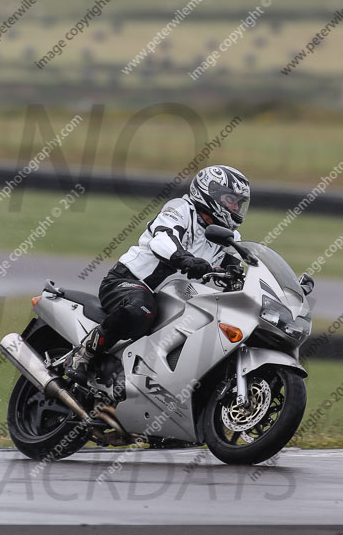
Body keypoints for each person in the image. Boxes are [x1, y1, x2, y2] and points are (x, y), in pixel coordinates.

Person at [64, 165, 250, 385]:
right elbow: (162, 240)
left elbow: (236, 275)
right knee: (142, 308)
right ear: (211, 193)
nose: (236, 207)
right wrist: (186, 259)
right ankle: (83, 354)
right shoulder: (181, 209)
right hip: (127, 282)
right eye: (231, 199)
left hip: (176, 302)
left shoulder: (230, 237)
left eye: (239, 202)